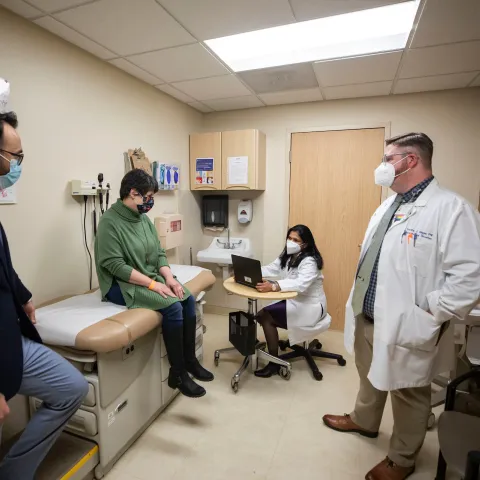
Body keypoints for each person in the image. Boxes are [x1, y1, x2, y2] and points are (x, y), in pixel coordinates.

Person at [323, 133, 480, 480]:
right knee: (368, 373)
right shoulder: (387, 205)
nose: (382, 165)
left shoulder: (452, 209)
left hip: (408, 321)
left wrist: (430, 312)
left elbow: (470, 277)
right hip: (368, 311)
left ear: (410, 161)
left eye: (388, 158)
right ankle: (364, 420)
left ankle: (402, 458)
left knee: (409, 390)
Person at [0, 108, 88, 478]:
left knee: (72, 387)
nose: (19, 164)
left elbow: (2, 264)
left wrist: (23, 295)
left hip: (11, 338)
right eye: (15, 156)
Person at [95, 169, 214, 398]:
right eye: (148, 197)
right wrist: (153, 285)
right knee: (172, 306)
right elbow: (115, 266)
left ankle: (190, 361)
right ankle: (177, 373)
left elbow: (159, 253)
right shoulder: (109, 222)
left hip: (147, 277)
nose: (150, 202)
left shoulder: (143, 219)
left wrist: (169, 278)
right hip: (120, 285)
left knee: (186, 298)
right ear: (132, 193)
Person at [254, 225, 330, 377]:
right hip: (294, 301)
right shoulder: (288, 255)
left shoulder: (310, 261)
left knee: (264, 316)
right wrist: (252, 271)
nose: (291, 242)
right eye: (289, 238)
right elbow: (272, 268)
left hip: (309, 307)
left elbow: (301, 284)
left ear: (305, 244)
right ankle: (262, 350)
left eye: (296, 240)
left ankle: (274, 363)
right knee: (261, 314)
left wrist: (274, 286)